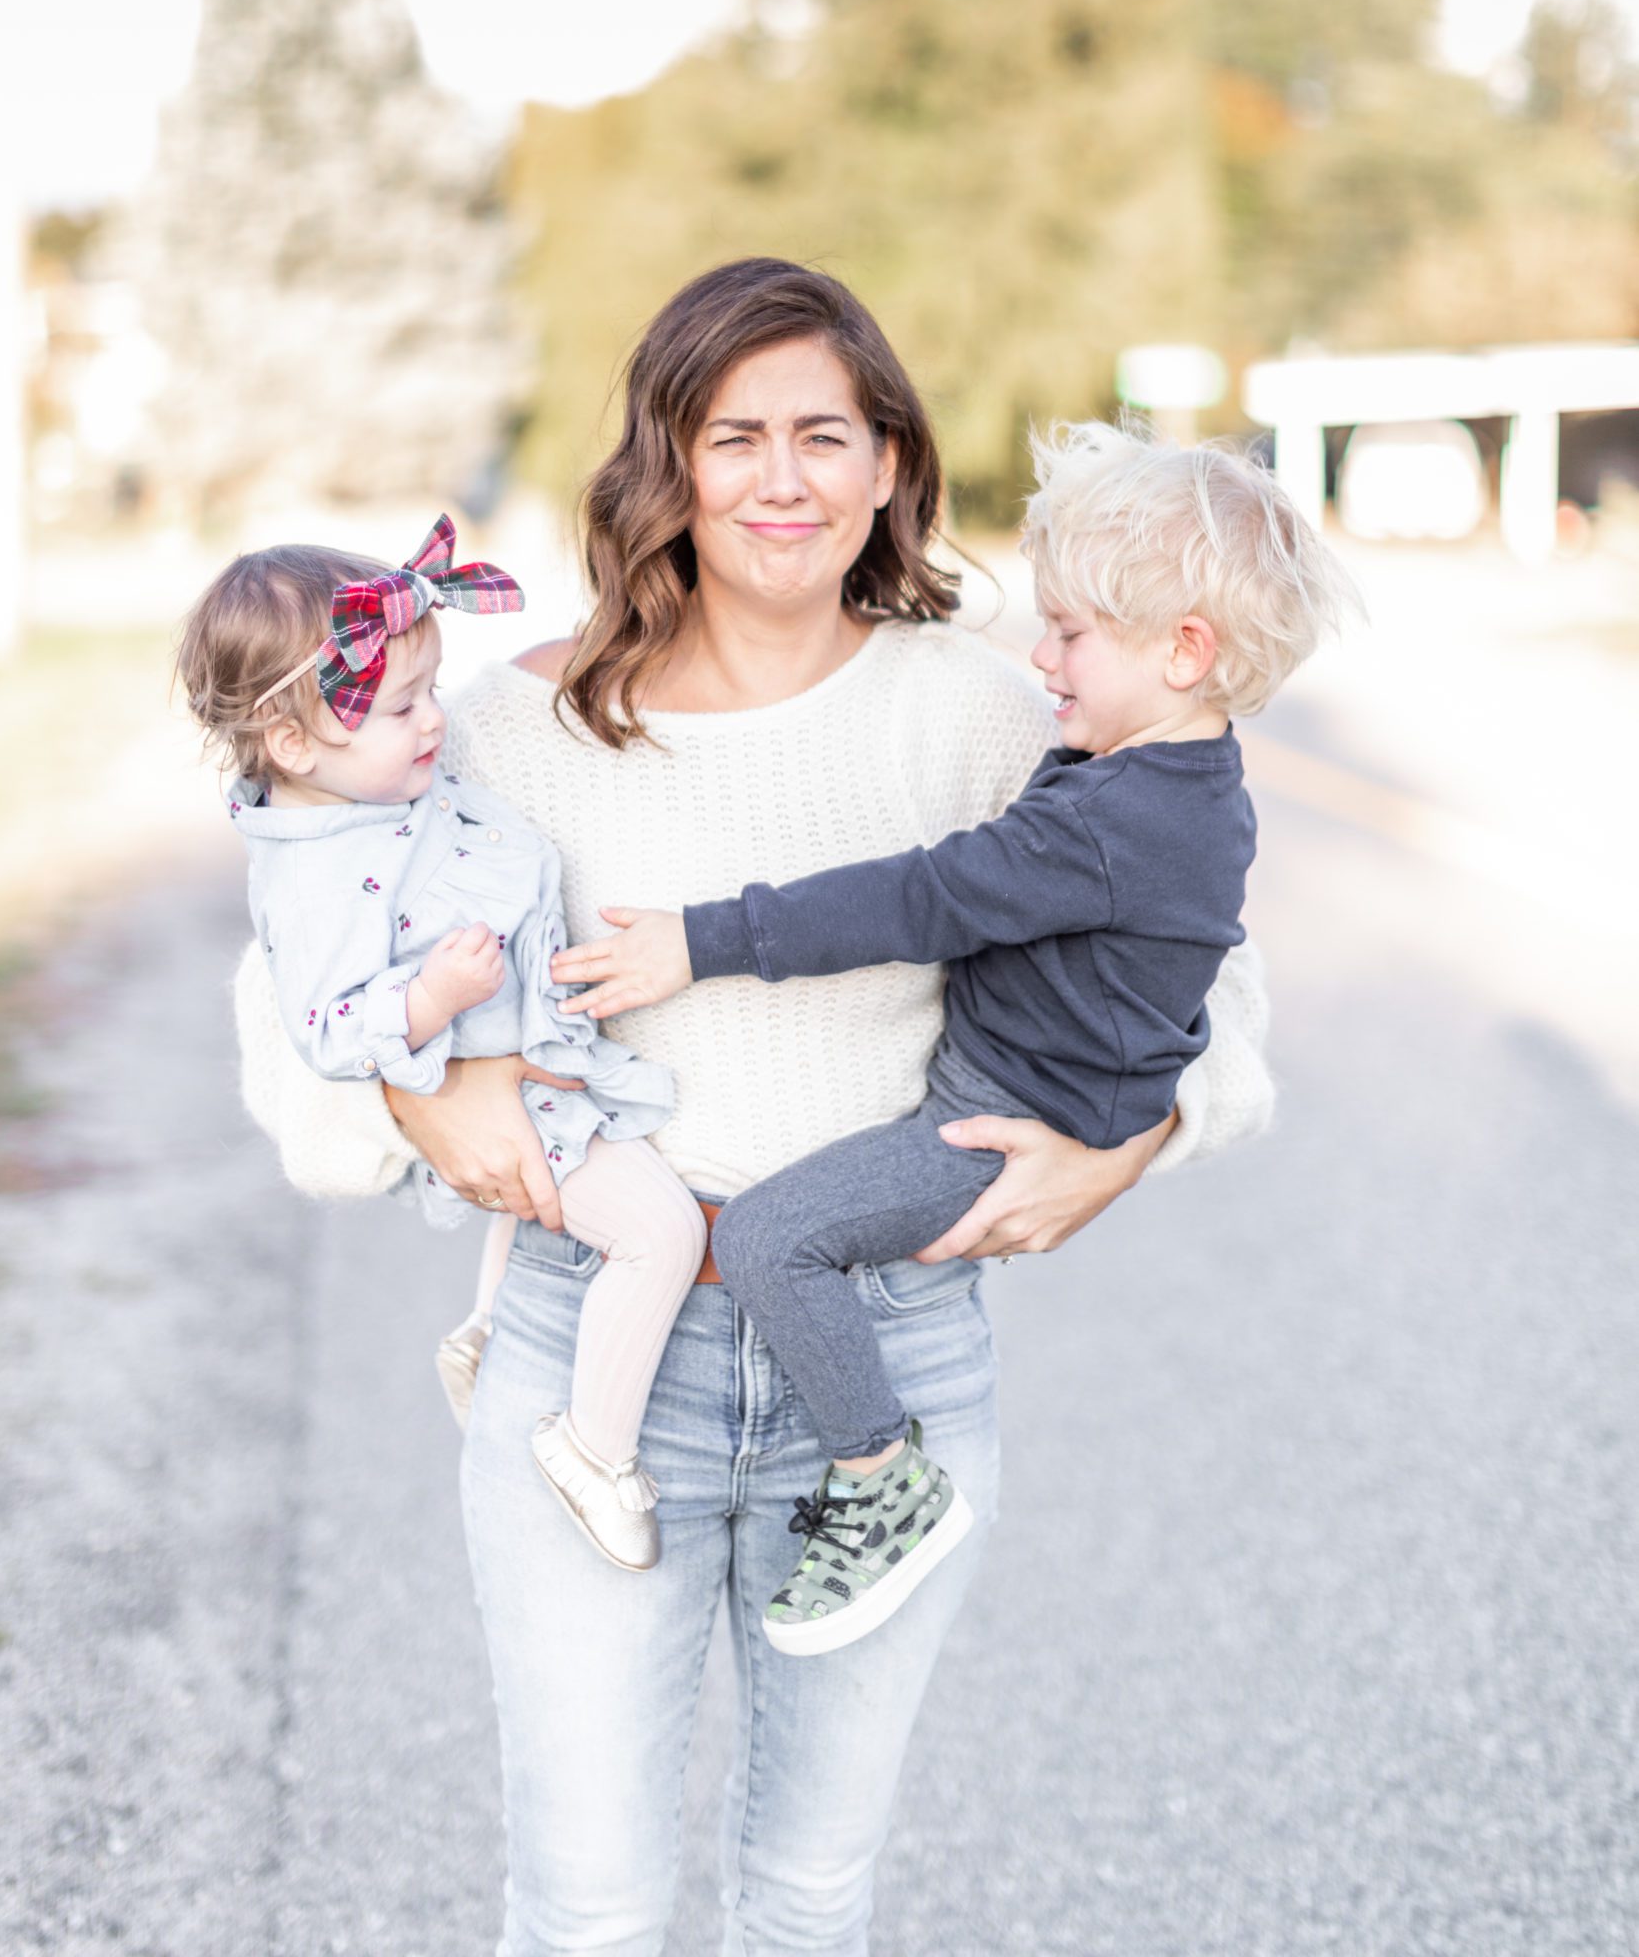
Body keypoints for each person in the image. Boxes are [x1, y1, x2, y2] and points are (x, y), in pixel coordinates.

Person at [231, 259, 1278, 1957]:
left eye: (823, 435)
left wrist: (1120, 1147)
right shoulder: (511, 729)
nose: (781, 478)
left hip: (889, 1354)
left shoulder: (990, 716)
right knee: (587, 1907)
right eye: (734, 438)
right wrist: (448, 1107)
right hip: (593, 1363)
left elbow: (1197, 962)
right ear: (669, 467)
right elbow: (301, 963)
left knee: (805, 1896)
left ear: (887, 465)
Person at [553, 419, 1358, 1652]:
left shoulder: (1105, 820)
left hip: (988, 1126)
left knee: (775, 1234)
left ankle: (881, 1479)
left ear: (1187, 649)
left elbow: (914, 899)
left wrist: (699, 939)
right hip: (1019, 1098)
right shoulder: (1179, 778)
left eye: (1073, 634)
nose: (1043, 657)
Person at [178, 517, 707, 1570]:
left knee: (526, 1210)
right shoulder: (321, 868)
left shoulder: (368, 791)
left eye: (432, 690)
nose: (435, 724)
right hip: (522, 1093)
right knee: (660, 1233)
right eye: (402, 706)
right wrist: (434, 997)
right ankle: (593, 1449)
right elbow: (328, 1028)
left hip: (540, 1071)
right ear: (289, 744)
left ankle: (489, 1334)